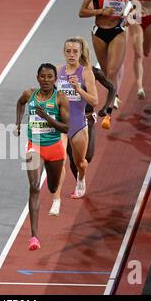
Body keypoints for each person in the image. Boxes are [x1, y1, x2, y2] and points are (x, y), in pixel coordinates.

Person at [15, 63, 69, 251]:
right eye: (43, 77)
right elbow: (19, 103)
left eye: (50, 77)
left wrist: (47, 117)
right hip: (34, 147)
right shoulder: (29, 94)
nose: (46, 80)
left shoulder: (60, 98)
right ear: (37, 78)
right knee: (34, 186)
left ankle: (55, 192)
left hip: (54, 148)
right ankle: (34, 237)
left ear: (55, 79)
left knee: (53, 186)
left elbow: (66, 128)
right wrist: (18, 123)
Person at [53, 66, 115, 211]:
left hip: (88, 119)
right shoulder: (63, 73)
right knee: (72, 158)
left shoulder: (93, 72)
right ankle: (79, 182)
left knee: (88, 156)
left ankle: (81, 175)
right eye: (70, 53)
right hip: (70, 121)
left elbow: (112, 88)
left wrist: (106, 108)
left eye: (77, 53)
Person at [49, 37, 98, 216]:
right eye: (68, 51)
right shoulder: (57, 71)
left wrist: (79, 89)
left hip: (78, 124)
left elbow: (95, 100)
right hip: (61, 125)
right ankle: (56, 200)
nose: (71, 54)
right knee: (59, 160)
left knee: (81, 163)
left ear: (80, 53)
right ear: (64, 52)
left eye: (75, 51)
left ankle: (81, 178)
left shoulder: (86, 73)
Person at [79, 0, 137, 109]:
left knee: (112, 72)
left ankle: (108, 110)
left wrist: (132, 17)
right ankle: (113, 93)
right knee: (106, 74)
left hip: (118, 31)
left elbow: (138, 9)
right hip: (99, 33)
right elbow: (81, 12)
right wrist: (101, 11)